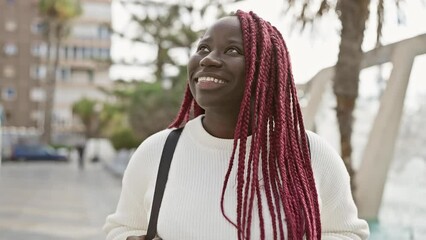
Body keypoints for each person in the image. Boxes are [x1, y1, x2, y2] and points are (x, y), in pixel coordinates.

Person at [103, 10, 370, 240]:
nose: (208, 59)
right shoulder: (158, 151)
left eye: (232, 50)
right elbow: (122, 227)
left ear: (267, 70)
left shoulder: (308, 153)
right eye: (203, 48)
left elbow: (348, 232)